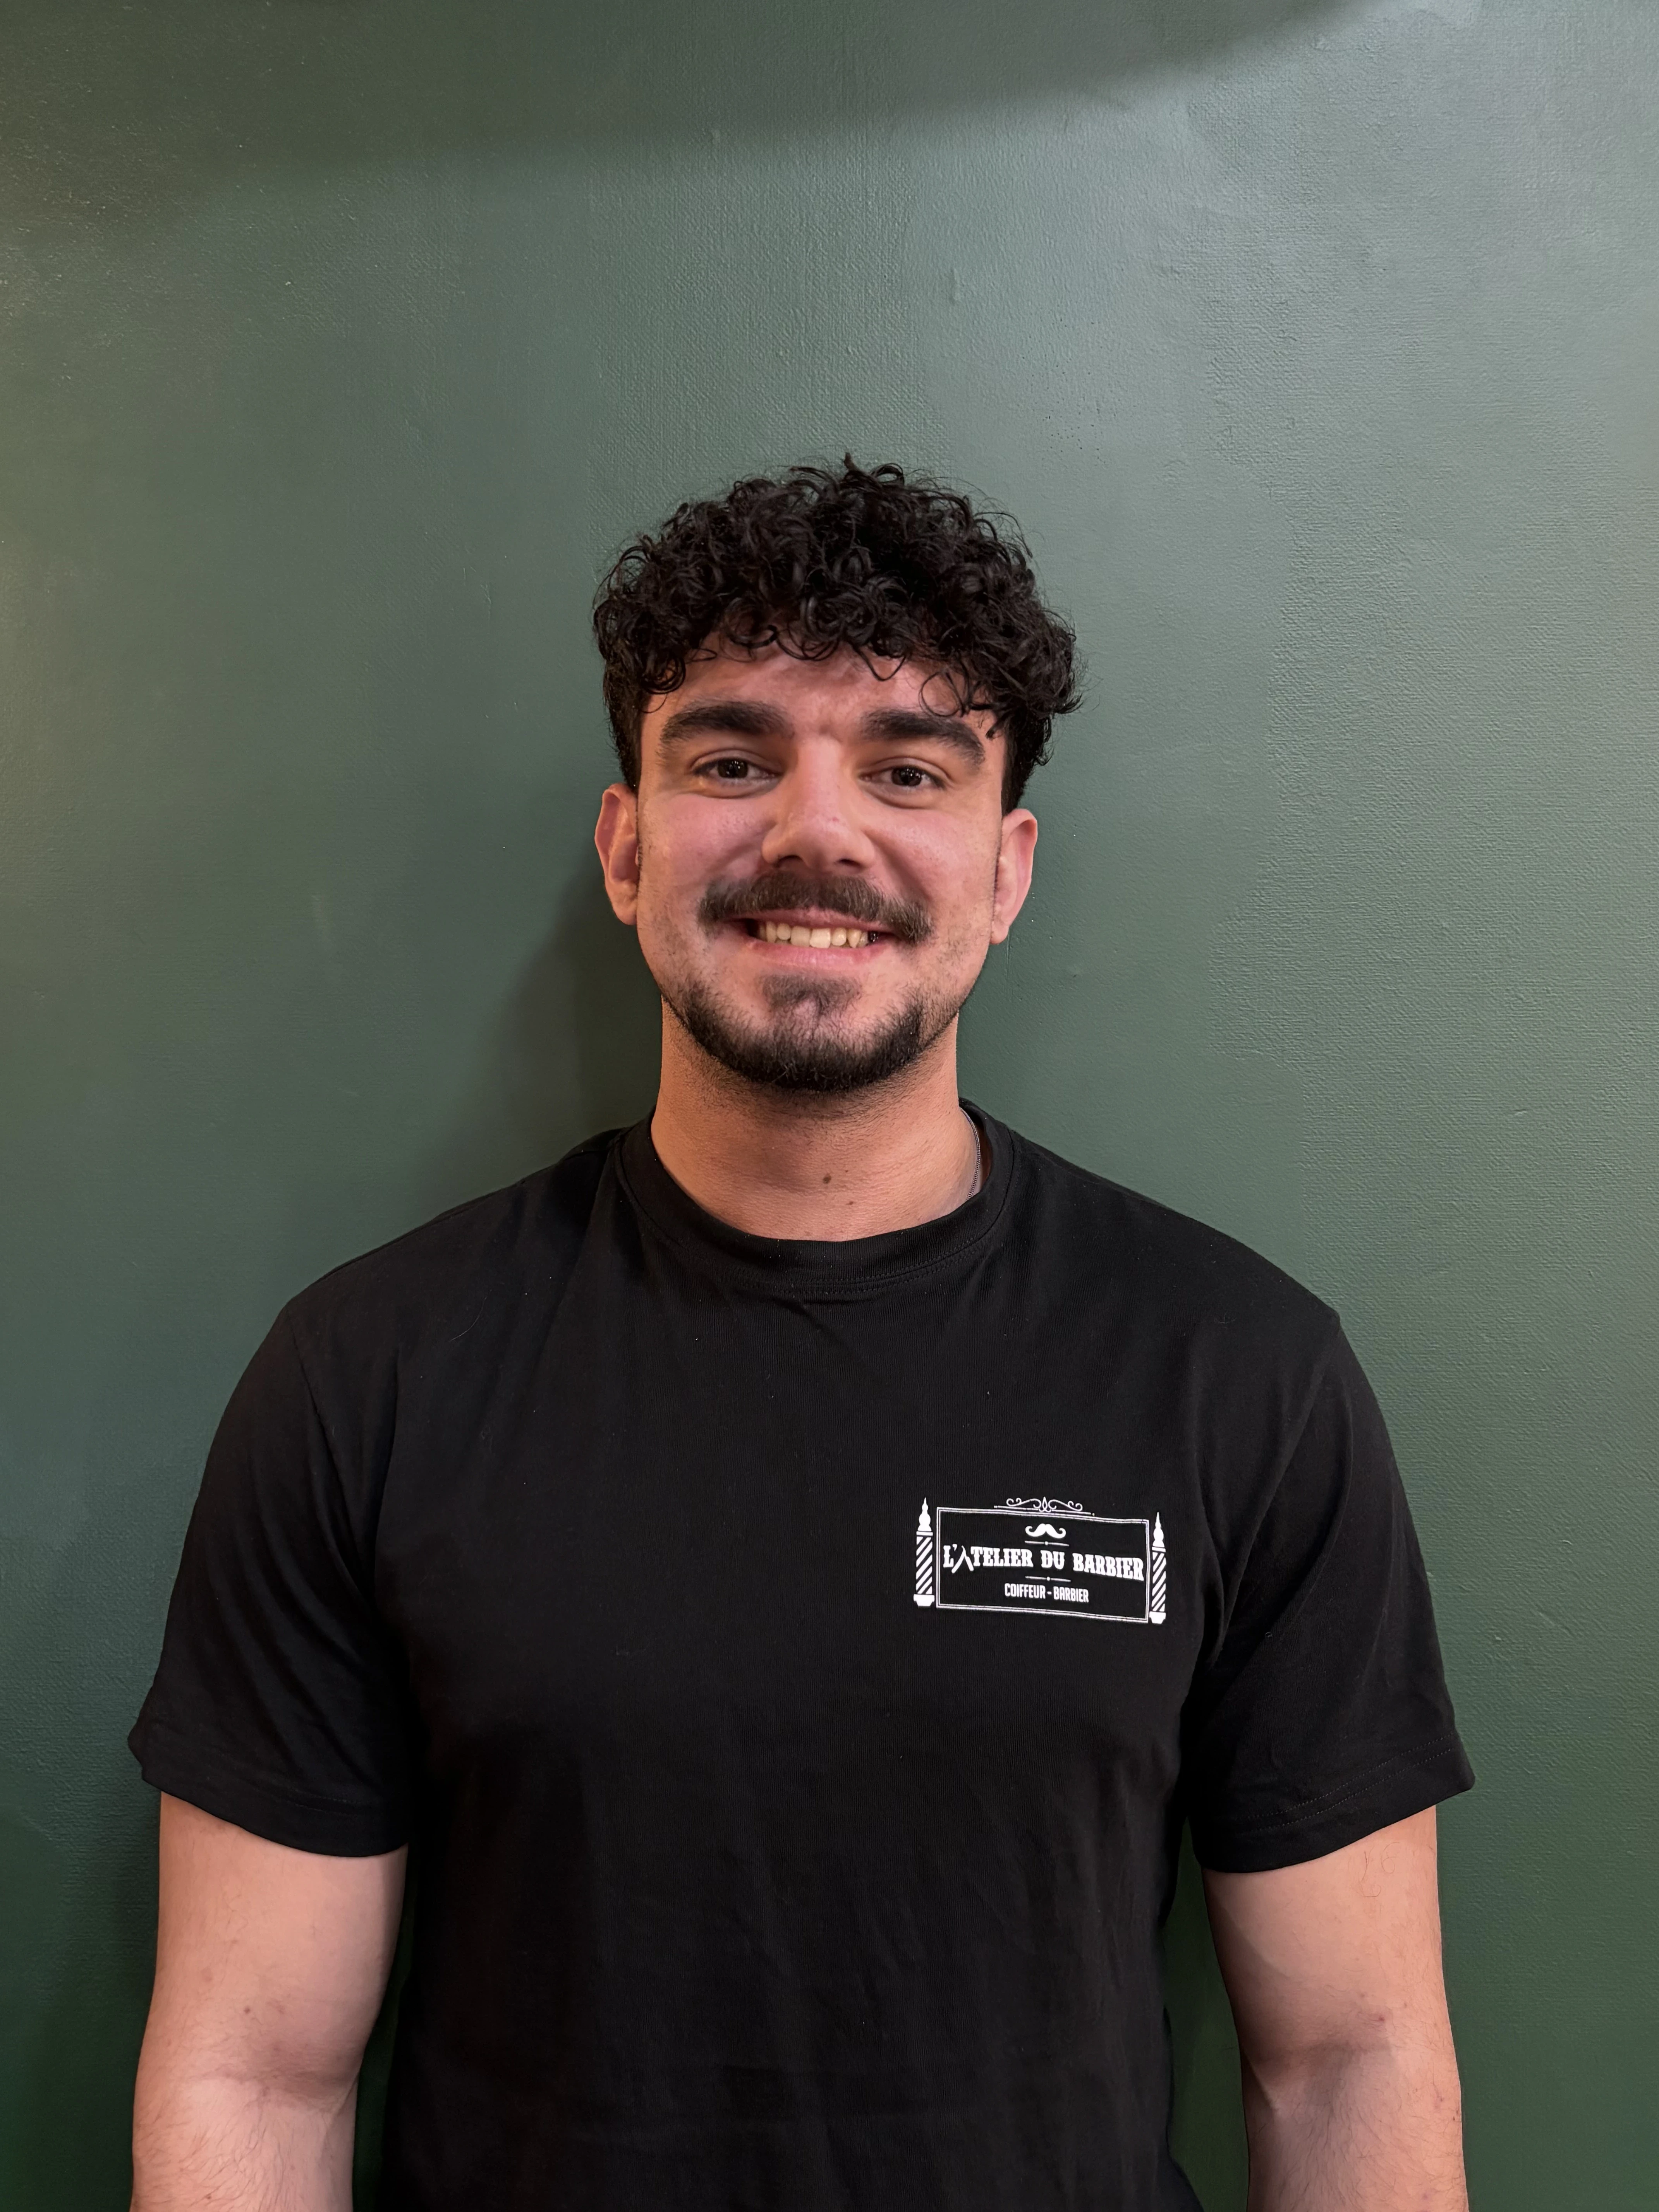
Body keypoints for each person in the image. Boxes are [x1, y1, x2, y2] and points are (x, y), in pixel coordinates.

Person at [129, 459, 1474, 2212]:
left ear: (1006, 870)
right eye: (732, 758)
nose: (815, 834)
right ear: (628, 848)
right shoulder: (368, 1376)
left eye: (908, 769)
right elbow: (253, 2073)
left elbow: (1351, 2062)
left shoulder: (1238, 1375)